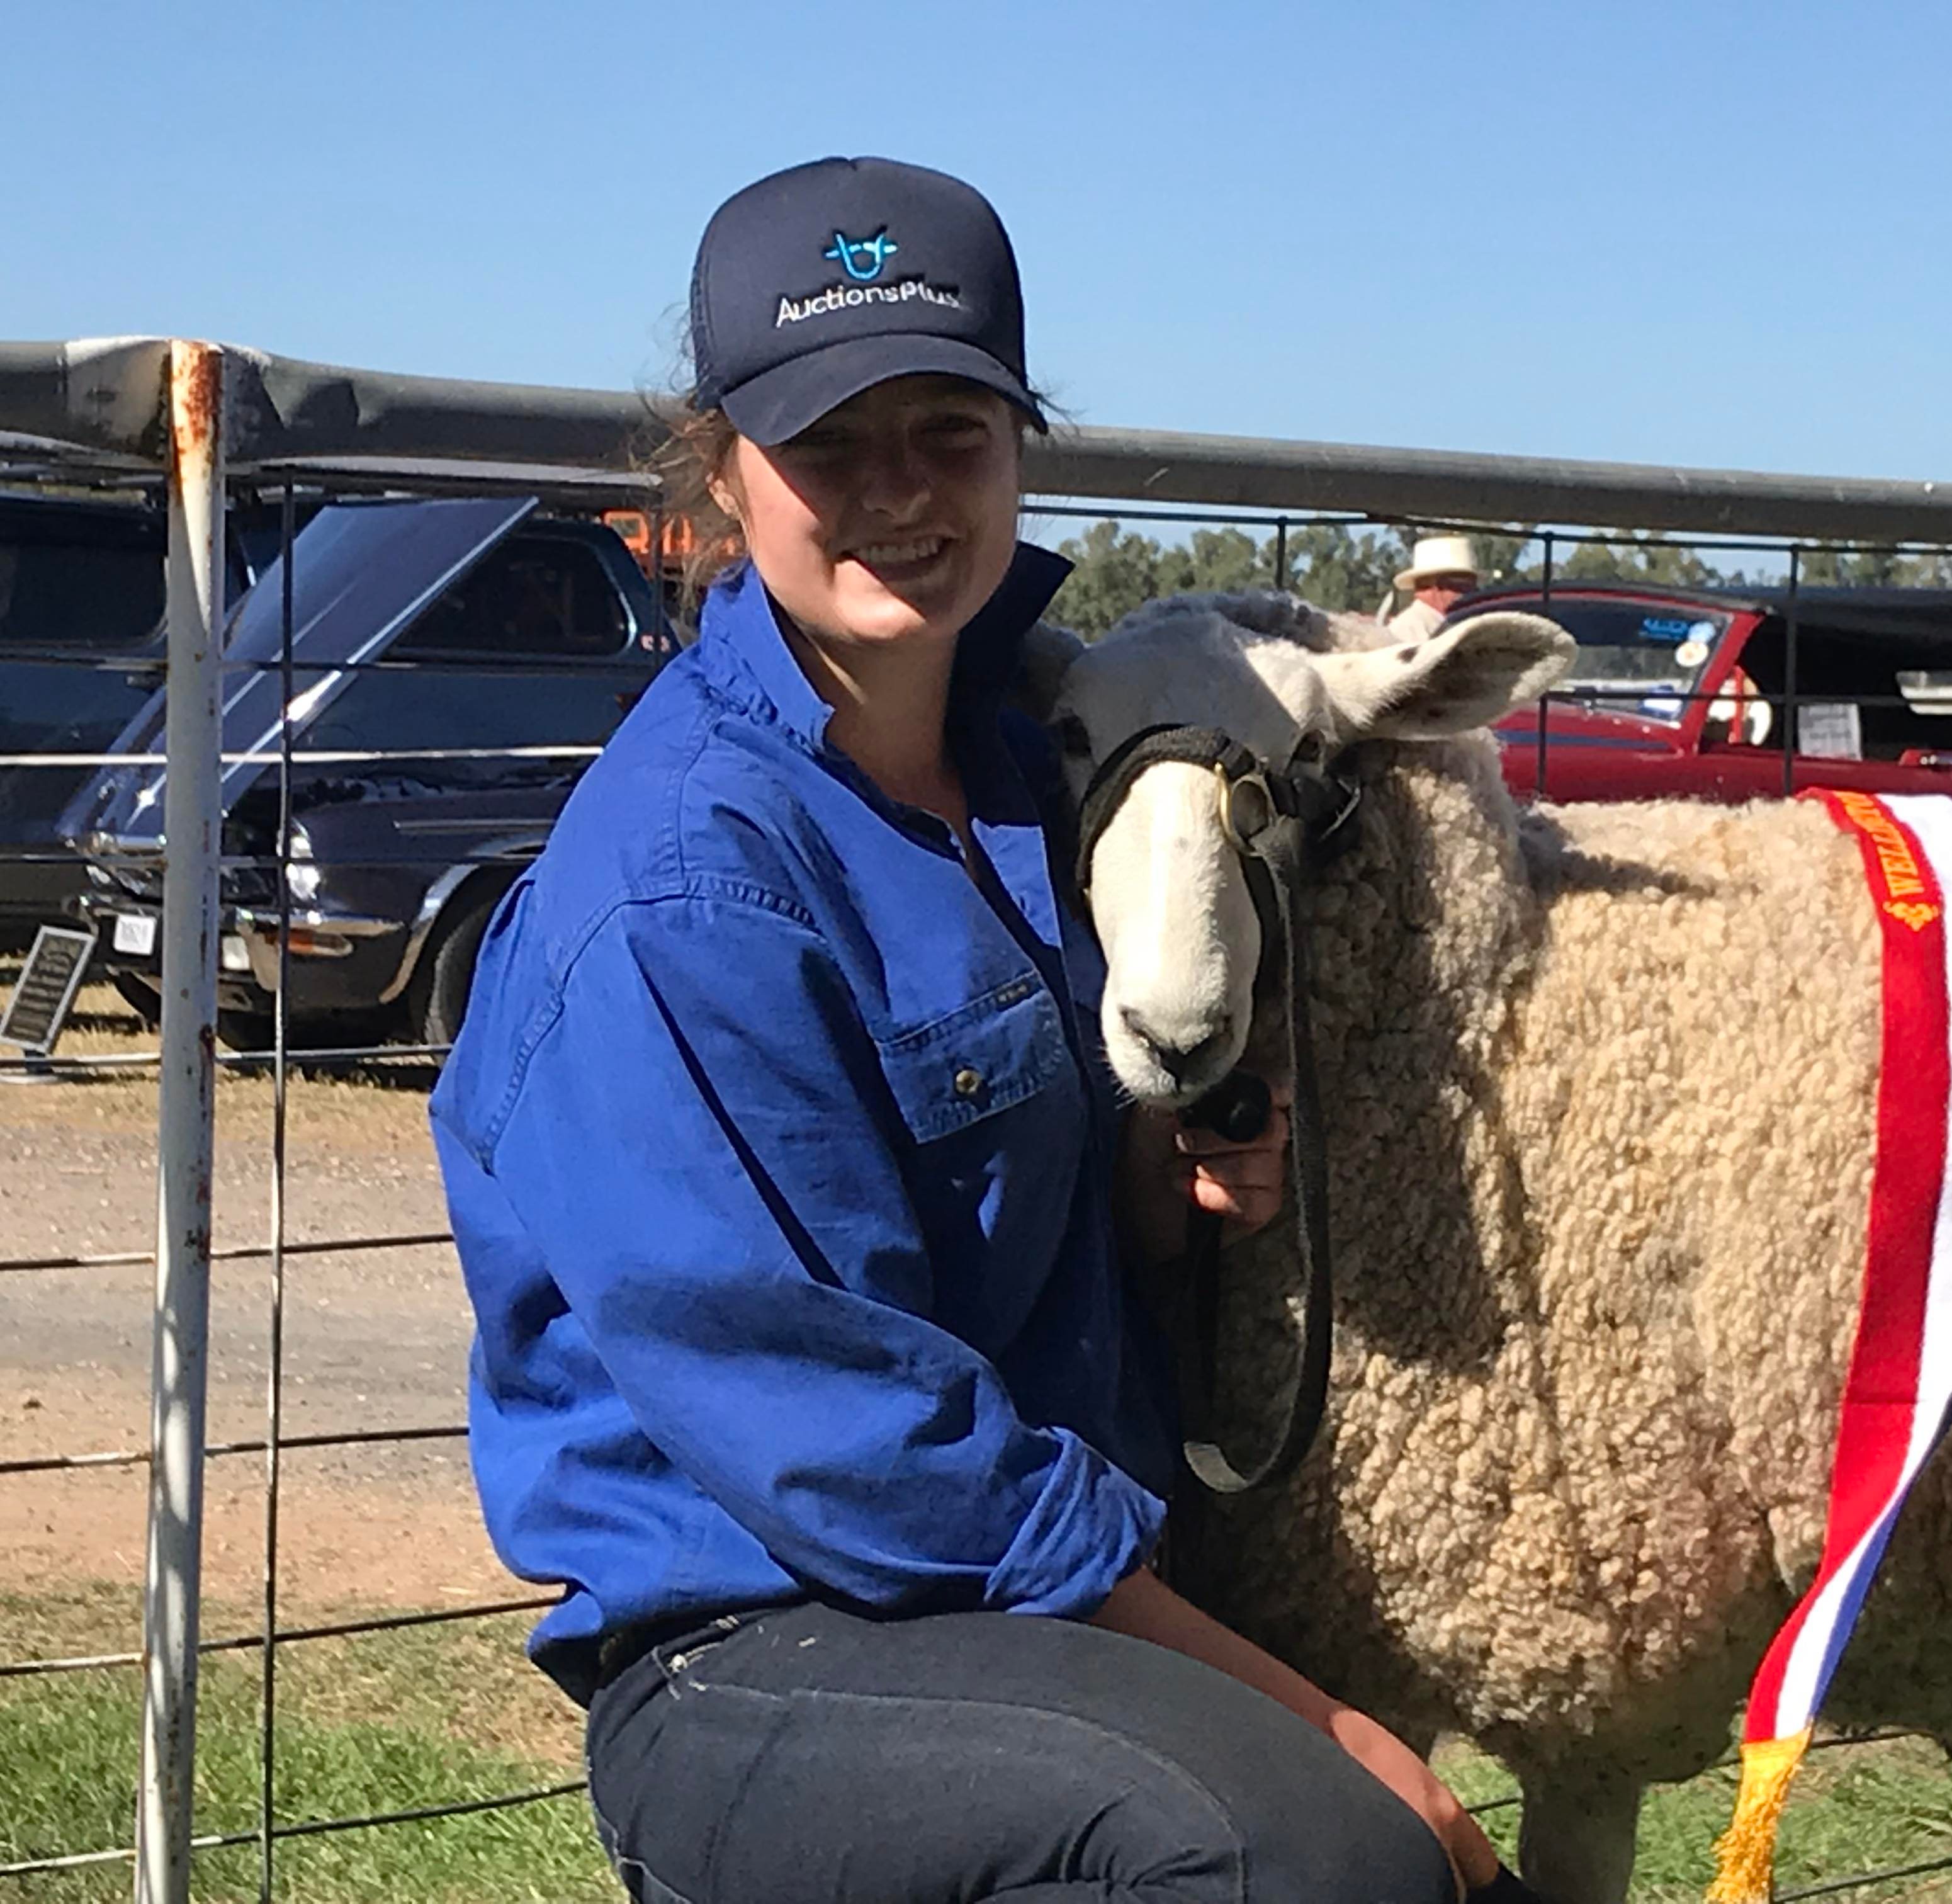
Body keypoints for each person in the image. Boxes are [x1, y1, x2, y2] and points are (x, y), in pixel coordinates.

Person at [430, 156, 1520, 1904]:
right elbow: (847, 1437)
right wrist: (1316, 1727)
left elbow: (1027, 1255)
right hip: (769, 1644)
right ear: (722, 469)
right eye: (832, 442)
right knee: (1317, 1851)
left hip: (1010, 1602)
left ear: (1023, 447)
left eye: (950, 431)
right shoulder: (686, 889)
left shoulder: (1027, 779)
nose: (900, 495)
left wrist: (1171, 1179)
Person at [1383, 534, 1485, 639]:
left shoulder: (1457, 623)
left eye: (1473, 586)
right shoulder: (1406, 631)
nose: (1473, 593)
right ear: (1435, 587)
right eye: (1463, 585)